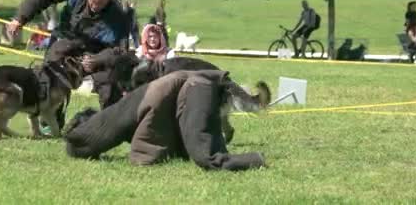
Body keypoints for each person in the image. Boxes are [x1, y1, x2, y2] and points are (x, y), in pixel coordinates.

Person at [63, 70, 266, 171]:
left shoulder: (123, 113)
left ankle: (257, 160)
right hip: (197, 87)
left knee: (205, 156)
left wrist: (142, 156)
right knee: (197, 147)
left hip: (197, 87)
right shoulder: (124, 111)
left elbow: (149, 143)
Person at [7, 0, 129, 111]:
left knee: (111, 83)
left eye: (100, 4)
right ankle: (49, 123)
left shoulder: (118, 14)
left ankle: (109, 123)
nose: (95, 7)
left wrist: (98, 60)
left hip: (96, 51)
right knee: (50, 76)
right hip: (66, 40)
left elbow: (120, 50)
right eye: (92, 2)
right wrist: (20, 18)